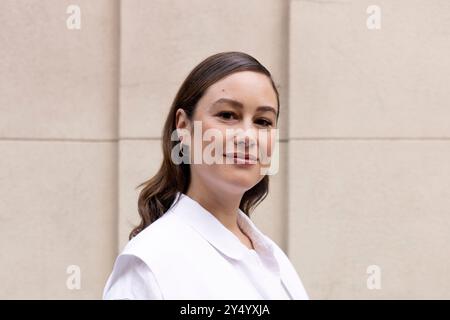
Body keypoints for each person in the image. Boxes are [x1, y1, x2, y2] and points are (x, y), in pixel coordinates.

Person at [103, 52, 309, 300]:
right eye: (227, 115)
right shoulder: (149, 265)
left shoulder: (275, 260)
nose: (247, 136)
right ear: (183, 127)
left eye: (263, 121)